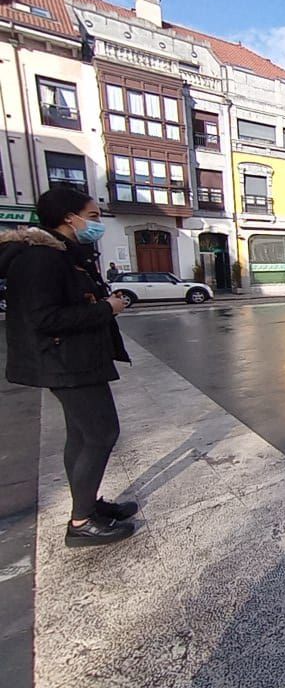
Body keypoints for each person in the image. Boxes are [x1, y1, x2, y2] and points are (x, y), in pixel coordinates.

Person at [0, 188, 135, 547]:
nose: (97, 223)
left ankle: (87, 505)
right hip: (65, 362)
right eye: (92, 217)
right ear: (68, 218)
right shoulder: (42, 259)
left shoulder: (61, 255)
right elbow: (44, 318)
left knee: (80, 435)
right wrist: (107, 309)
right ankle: (82, 522)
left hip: (74, 360)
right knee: (101, 434)